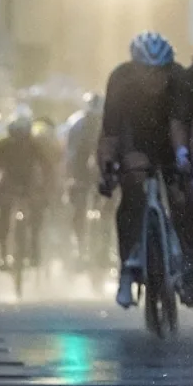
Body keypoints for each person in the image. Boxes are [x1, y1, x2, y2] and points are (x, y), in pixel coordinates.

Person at [98, 31, 193, 308]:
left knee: (182, 196)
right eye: (147, 73)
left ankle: (188, 262)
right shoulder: (120, 79)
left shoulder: (178, 77)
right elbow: (110, 132)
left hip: (167, 140)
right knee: (132, 194)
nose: (154, 79)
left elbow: (178, 124)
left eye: (159, 73)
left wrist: (183, 157)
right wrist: (108, 169)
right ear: (135, 68)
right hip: (133, 141)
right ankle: (126, 269)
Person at [0, 112, 49, 271]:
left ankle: (34, 248)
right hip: (9, 184)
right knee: (4, 214)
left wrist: (45, 190)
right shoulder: (2, 146)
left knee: (36, 213)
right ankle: (3, 254)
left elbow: (46, 167)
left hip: (29, 184)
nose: (19, 141)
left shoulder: (35, 145)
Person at [60, 93, 111, 273]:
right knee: (77, 209)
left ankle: (106, 247)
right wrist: (70, 178)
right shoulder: (77, 125)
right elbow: (70, 154)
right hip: (81, 172)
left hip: (102, 171)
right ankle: (79, 246)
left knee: (109, 209)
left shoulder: (109, 125)